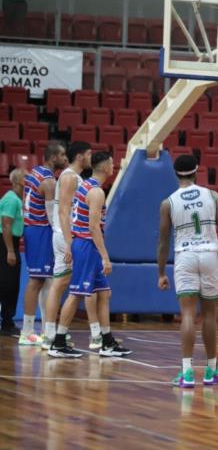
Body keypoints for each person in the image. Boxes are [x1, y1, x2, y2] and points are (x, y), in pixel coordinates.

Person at [157, 154, 218, 387]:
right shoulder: (211, 195)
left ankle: (187, 372)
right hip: (209, 255)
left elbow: (163, 242)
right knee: (210, 314)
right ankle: (212, 370)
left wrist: (161, 272)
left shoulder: (168, 202)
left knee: (188, 315)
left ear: (175, 174)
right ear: (197, 171)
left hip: (185, 257)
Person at [48, 152, 131, 358]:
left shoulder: (84, 185)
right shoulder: (96, 192)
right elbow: (94, 228)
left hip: (84, 244)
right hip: (87, 245)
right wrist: (105, 256)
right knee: (76, 293)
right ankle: (58, 342)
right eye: (112, 163)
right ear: (105, 168)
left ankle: (107, 341)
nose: (114, 166)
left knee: (103, 293)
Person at [42, 142, 103, 350]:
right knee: (73, 285)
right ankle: (91, 335)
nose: (90, 157)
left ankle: (52, 334)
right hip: (66, 235)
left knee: (63, 283)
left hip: (66, 235)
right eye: (88, 154)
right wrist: (70, 242)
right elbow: (63, 212)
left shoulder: (75, 177)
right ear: (79, 156)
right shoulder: (69, 177)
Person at [19, 141, 68, 346]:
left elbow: (25, 203)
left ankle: (47, 329)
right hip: (40, 230)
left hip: (33, 228)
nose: (66, 159)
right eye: (63, 155)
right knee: (36, 281)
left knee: (46, 280)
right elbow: (52, 217)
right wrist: (65, 234)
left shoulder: (33, 173)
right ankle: (27, 331)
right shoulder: (49, 182)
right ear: (53, 157)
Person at [0, 170, 25, 335]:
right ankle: (6, 322)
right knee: (7, 284)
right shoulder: (11, 199)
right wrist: (10, 250)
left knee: (12, 284)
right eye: (26, 178)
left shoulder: (17, 199)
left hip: (11, 243)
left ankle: (8, 321)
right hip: (5, 243)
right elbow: (6, 225)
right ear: (17, 181)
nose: (29, 180)